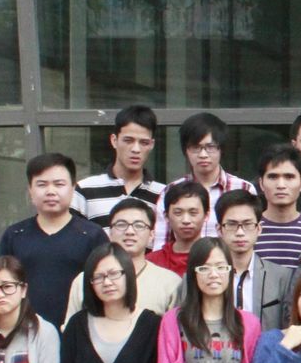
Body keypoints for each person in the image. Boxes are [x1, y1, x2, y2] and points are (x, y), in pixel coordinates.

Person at [0, 152, 106, 328]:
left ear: (72, 188)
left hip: (79, 332)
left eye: (59, 184)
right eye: (42, 184)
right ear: (30, 190)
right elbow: (0, 286)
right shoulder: (14, 235)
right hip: (25, 332)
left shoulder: (93, 236)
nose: (51, 192)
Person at [64, 197, 180, 322]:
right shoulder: (86, 279)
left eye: (139, 225)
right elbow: (72, 328)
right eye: (121, 225)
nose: (130, 231)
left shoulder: (169, 283)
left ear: (152, 235)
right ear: (110, 232)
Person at [155, 112, 255, 247]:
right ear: (186, 151)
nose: (203, 154)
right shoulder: (170, 191)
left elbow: (252, 239)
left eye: (210, 147)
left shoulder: (243, 188)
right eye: (196, 147)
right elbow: (161, 245)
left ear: (221, 149)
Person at [76, 104, 165, 236]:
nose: (136, 149)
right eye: (128, 141)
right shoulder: (85, 190)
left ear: (151, 145)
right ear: (114, 140)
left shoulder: (163, 194)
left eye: (144, 143)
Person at [214, 190, 292, 330]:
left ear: (259, 229)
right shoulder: (203, 275)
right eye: (231, 224)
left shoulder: (282, 277)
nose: (240, 232)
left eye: (248, 224)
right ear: (219, 229)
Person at [254, 143, 301, 268]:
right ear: (261, 184)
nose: (281, 185)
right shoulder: (248, 230)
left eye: (289, 177)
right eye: (273, 177)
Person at [150, 180, 209, 276]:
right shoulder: (152, 262)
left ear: (206, 215)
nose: (186, 220)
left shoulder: (217, 259)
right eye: (178, 213)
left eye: (193, 213)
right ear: (166, 216)